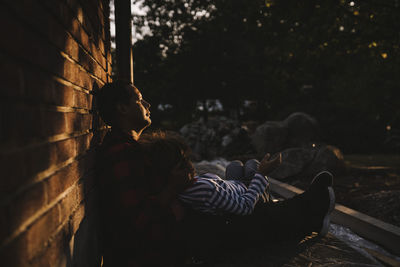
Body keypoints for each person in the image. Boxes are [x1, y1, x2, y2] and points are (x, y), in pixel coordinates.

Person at [95, 80, 335, 266]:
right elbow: (139, 221)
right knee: (241, 221)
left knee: (232, 209)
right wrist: (174, 189)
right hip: (167, 246)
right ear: (122, 108)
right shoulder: (122, 154)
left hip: (178, 227)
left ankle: (307, 209)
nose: (147, 104)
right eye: (139, 99)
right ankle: (310, 211)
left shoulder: (129, 148)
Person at [139, 131, 283, 216]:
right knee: (252, 164)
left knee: (235, 165)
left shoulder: (182, 188)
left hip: (236, 187)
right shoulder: (203, 190)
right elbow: (245, 207)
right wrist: (261, 174)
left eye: (187, 160)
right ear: (169, 175)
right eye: (183, 165)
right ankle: (268, 203)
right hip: (248, 197)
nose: (190, 166)